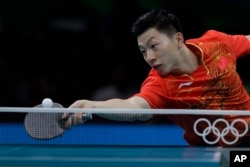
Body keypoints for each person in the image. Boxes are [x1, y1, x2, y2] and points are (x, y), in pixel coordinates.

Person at [63, 9, 250, 146]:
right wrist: (92, 105)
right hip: (214, 149)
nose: (149, 58)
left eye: (154, 46)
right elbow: (134, 107)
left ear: (178, 39)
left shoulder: (217, 44)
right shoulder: (160, 85)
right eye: (143, 51)